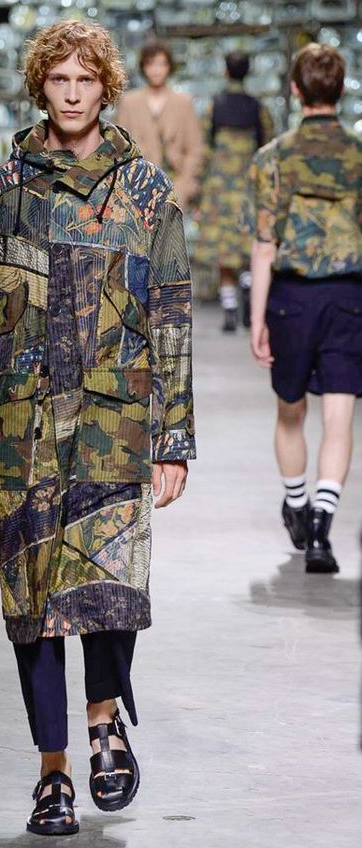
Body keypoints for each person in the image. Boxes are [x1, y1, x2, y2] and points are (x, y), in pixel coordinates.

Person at [0, 20, 195, 836]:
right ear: (39, 87)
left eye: (86, 80)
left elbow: (171, 315)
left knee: (112, 585)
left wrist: (174, 437)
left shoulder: (145, 192)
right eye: (59, 80)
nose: (73, 94)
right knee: (31, 599)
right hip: (21, 423)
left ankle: (103, 721)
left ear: (106, 88)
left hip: (115, 418)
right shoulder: (0, 194)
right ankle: (53, 772)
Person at [245, 43, 361, 574]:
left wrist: (257, 318)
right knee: (340, 415)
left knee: (289, 409)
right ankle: (320, 528)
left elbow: (264, 244)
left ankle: (296, 503)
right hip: (349, 296)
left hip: (291, 298)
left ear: (295, 89)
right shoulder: (358, 157)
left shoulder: (273, 158)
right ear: (341, 89)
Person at [196, 51, 273, 332]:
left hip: (218, 191)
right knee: (248, 249)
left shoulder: (214, 105)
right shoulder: (257, 107)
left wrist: (197, 193)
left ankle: (229, 310)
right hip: (247, 190)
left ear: (225, 71)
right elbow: (267, 148)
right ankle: (249, 292)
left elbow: (203, 150)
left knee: (222, 253)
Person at [116, 40, 202, 211]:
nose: (156, 70)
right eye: (151, 64)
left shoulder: (183, 102)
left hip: (176, 183)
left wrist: (187, 181)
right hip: (138, 185)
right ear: (143, 67)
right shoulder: (129, 103)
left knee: (172, 227)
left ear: (169, 67)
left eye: (162, 64)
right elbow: (119, 147)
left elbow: (195, 147)